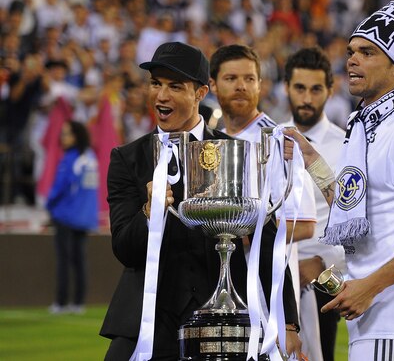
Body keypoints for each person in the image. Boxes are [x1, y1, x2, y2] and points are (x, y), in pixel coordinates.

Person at [284, 0, 394, 361]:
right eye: (351, 51)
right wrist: (313, 161)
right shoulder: (368, 122)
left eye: (367, 52)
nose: (352, 59)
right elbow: (358, 208)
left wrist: (369, 287)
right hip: (375, 318)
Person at [99, 41, 301, 360]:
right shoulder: (128, 159)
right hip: (150, 321)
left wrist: (287, 323)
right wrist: (149, 214)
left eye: (175, 86)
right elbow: (124, 248)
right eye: (156, 84)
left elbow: (267, 242)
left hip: (226, 319)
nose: (161, 96)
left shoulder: (237, 153)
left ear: (200, 92)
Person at [209, 43, 318, 321]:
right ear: (212, 85)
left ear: (261, 85)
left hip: (268, 296)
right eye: (231, 79)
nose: (241, 86)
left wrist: (238, 233)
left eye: (249, 79)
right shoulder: (210, 146)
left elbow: (305, 225)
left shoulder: (280, 142)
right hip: (218, 286)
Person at [283, 46, 346, 361]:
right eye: (299, 88)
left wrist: (324, 264)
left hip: (319, 281)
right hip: (273, 273)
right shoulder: (271, 141)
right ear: (287, 89)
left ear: (330, 91)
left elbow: (356, 222)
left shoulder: (346, 147)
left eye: (316, 89)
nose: (306, 97)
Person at [46, 120, 99, 314]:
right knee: (79, 261)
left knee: (64, 261)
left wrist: (49, 204)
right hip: (85, 217)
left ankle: (60, 303)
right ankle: (78, 302)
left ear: (76, 136)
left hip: (66, 215)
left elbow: (59, 188)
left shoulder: (70, 158)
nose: (63, 137)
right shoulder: (90, 157)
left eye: (67, 134)